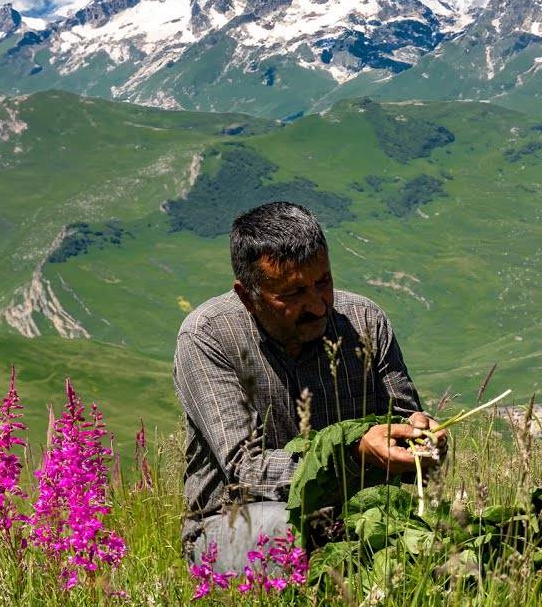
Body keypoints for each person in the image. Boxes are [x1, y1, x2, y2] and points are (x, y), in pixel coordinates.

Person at [173, 201, 442, 571]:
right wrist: (350, 455)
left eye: (323, 283)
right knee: (289, 535)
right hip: (236, 521)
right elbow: (245, 469)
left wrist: (421, 439)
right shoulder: (208, 336)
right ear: (247, 296)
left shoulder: (364, 320)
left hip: (358, 519)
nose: (317, 306)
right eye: (293, 294)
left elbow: (401, 419)